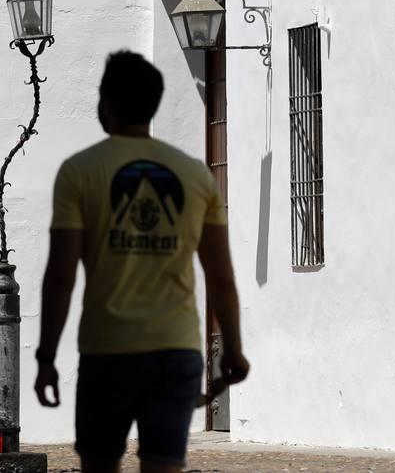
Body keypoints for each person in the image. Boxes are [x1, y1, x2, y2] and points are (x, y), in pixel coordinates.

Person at [34, 51, 249, 473]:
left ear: (106, 103)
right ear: (152, 104)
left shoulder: (79, 172)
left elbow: (60, 277)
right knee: (164, 465)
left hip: (108, 350)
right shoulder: (196, 175)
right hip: (175, 349)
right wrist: (234, 350)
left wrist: (46, 357)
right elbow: (221, 277)